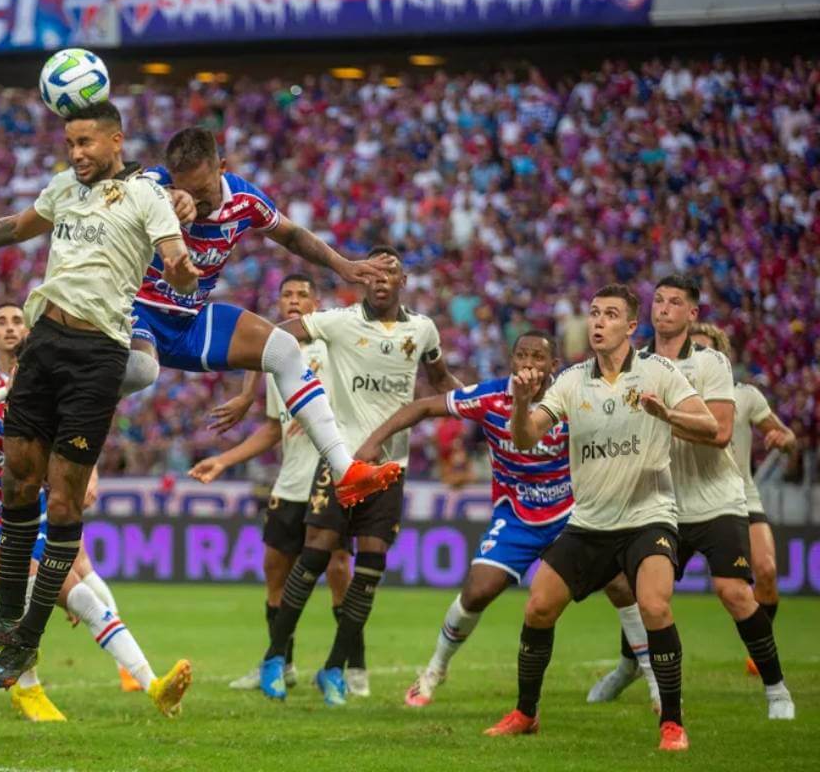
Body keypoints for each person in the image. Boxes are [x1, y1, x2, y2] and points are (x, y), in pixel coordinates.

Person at [0, 101, 199, 694]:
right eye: (70, 144)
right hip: (44, 345)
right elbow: (14, 228)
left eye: (86, 142)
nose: (76, 153)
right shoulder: (64, 188)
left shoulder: (146, 196)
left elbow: (173, 258)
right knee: (17, 482)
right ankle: (7, 621)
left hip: (97, 357)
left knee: (62, 506)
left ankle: (26, 636)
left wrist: (183, 272)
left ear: (116, 139)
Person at [356, 331, 649, 709]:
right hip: (517, 515)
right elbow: (424, 407)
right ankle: (434, 670)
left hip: (570, 515)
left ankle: (653, 678)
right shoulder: (491, 397)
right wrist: (374, 440)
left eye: (538, 358)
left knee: (621, 586)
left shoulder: (575, 400)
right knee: (477, 591)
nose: (529, 364)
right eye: (522, 356)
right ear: (511, 362)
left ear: (553, 367)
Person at [0, 311, 192, 720]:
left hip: (23, 517)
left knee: (76, 590)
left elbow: (76, 449)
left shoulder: (55, 409)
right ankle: (26, 689)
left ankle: (152, 683)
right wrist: (0, 396)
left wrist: (89, 473)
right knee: (24, 577)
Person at [485, 283, 718, 752]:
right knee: (538, 606)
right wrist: (523, 402)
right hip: (590, 523)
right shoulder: (571, 380)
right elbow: (527, 438)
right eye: (593, 313)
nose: (597, 322)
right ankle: (526, 713)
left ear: (631, 326)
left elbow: (711, 427)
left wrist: (666, 413)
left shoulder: (659, 372)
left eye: (610, 315)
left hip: (647, 517)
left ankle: (671, 723)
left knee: (654, 606)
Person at [130, 127, 403, 509]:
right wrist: (167, 195)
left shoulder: (244, 199)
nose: (194, 201)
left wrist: (342, 265)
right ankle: (64, 402)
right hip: (134, 310)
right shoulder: (151, 185)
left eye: (202, 190)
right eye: (184, 190)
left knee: (284, 350)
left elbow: (290, 234)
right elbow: (126, 188)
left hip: (189, 320)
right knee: (142, 369)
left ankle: (346, 472)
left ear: (221, 168)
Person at [255, 246, 461, 706]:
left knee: (367, 574)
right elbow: (282, 335)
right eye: (373, 270)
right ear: (361, 279)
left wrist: (484, 406)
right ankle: (273, 657)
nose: (382, 276)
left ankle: (335, 669)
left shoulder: (422, 329)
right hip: (341, 463)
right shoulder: (339, 321)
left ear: (404, 278)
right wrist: (253, 346)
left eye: (391, 268)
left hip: (391, 471)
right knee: (312, 561)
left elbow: (440, 378)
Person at [590, 278, 794, 720]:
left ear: (693, 314)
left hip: (717, 498)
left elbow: (720, 433)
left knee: (734, 592)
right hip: (661, 502)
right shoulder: (636, 363)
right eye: (659, 301)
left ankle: (777, 689)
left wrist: (664, 418)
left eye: (676, 302)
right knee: (643, 594)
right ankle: (631, 667)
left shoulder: (710, 362)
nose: (664, 309)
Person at [186, 273, 361, 695]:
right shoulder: (276, 359)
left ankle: (350, 667)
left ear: (317, 303)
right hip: (289, 483)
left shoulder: (331, 346)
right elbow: (271, 430)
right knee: (275, 573)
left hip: (329, 481)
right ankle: (281, 662)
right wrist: (224, 460)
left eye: (304, 294)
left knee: (338, 570)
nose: (295, 301)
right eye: (287, 295)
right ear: (278, 304)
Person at [690, 322, 797, 676]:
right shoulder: (675, 395)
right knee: (641, 584)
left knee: (765, 571)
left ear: (722, 357)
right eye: (693, 349)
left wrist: (784, 441)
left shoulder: (746, 395)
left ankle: (760, 650)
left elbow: (786, 435)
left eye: (705, 350)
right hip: (682, 500)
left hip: (739, 496)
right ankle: (633, 660)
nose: (697, 357)